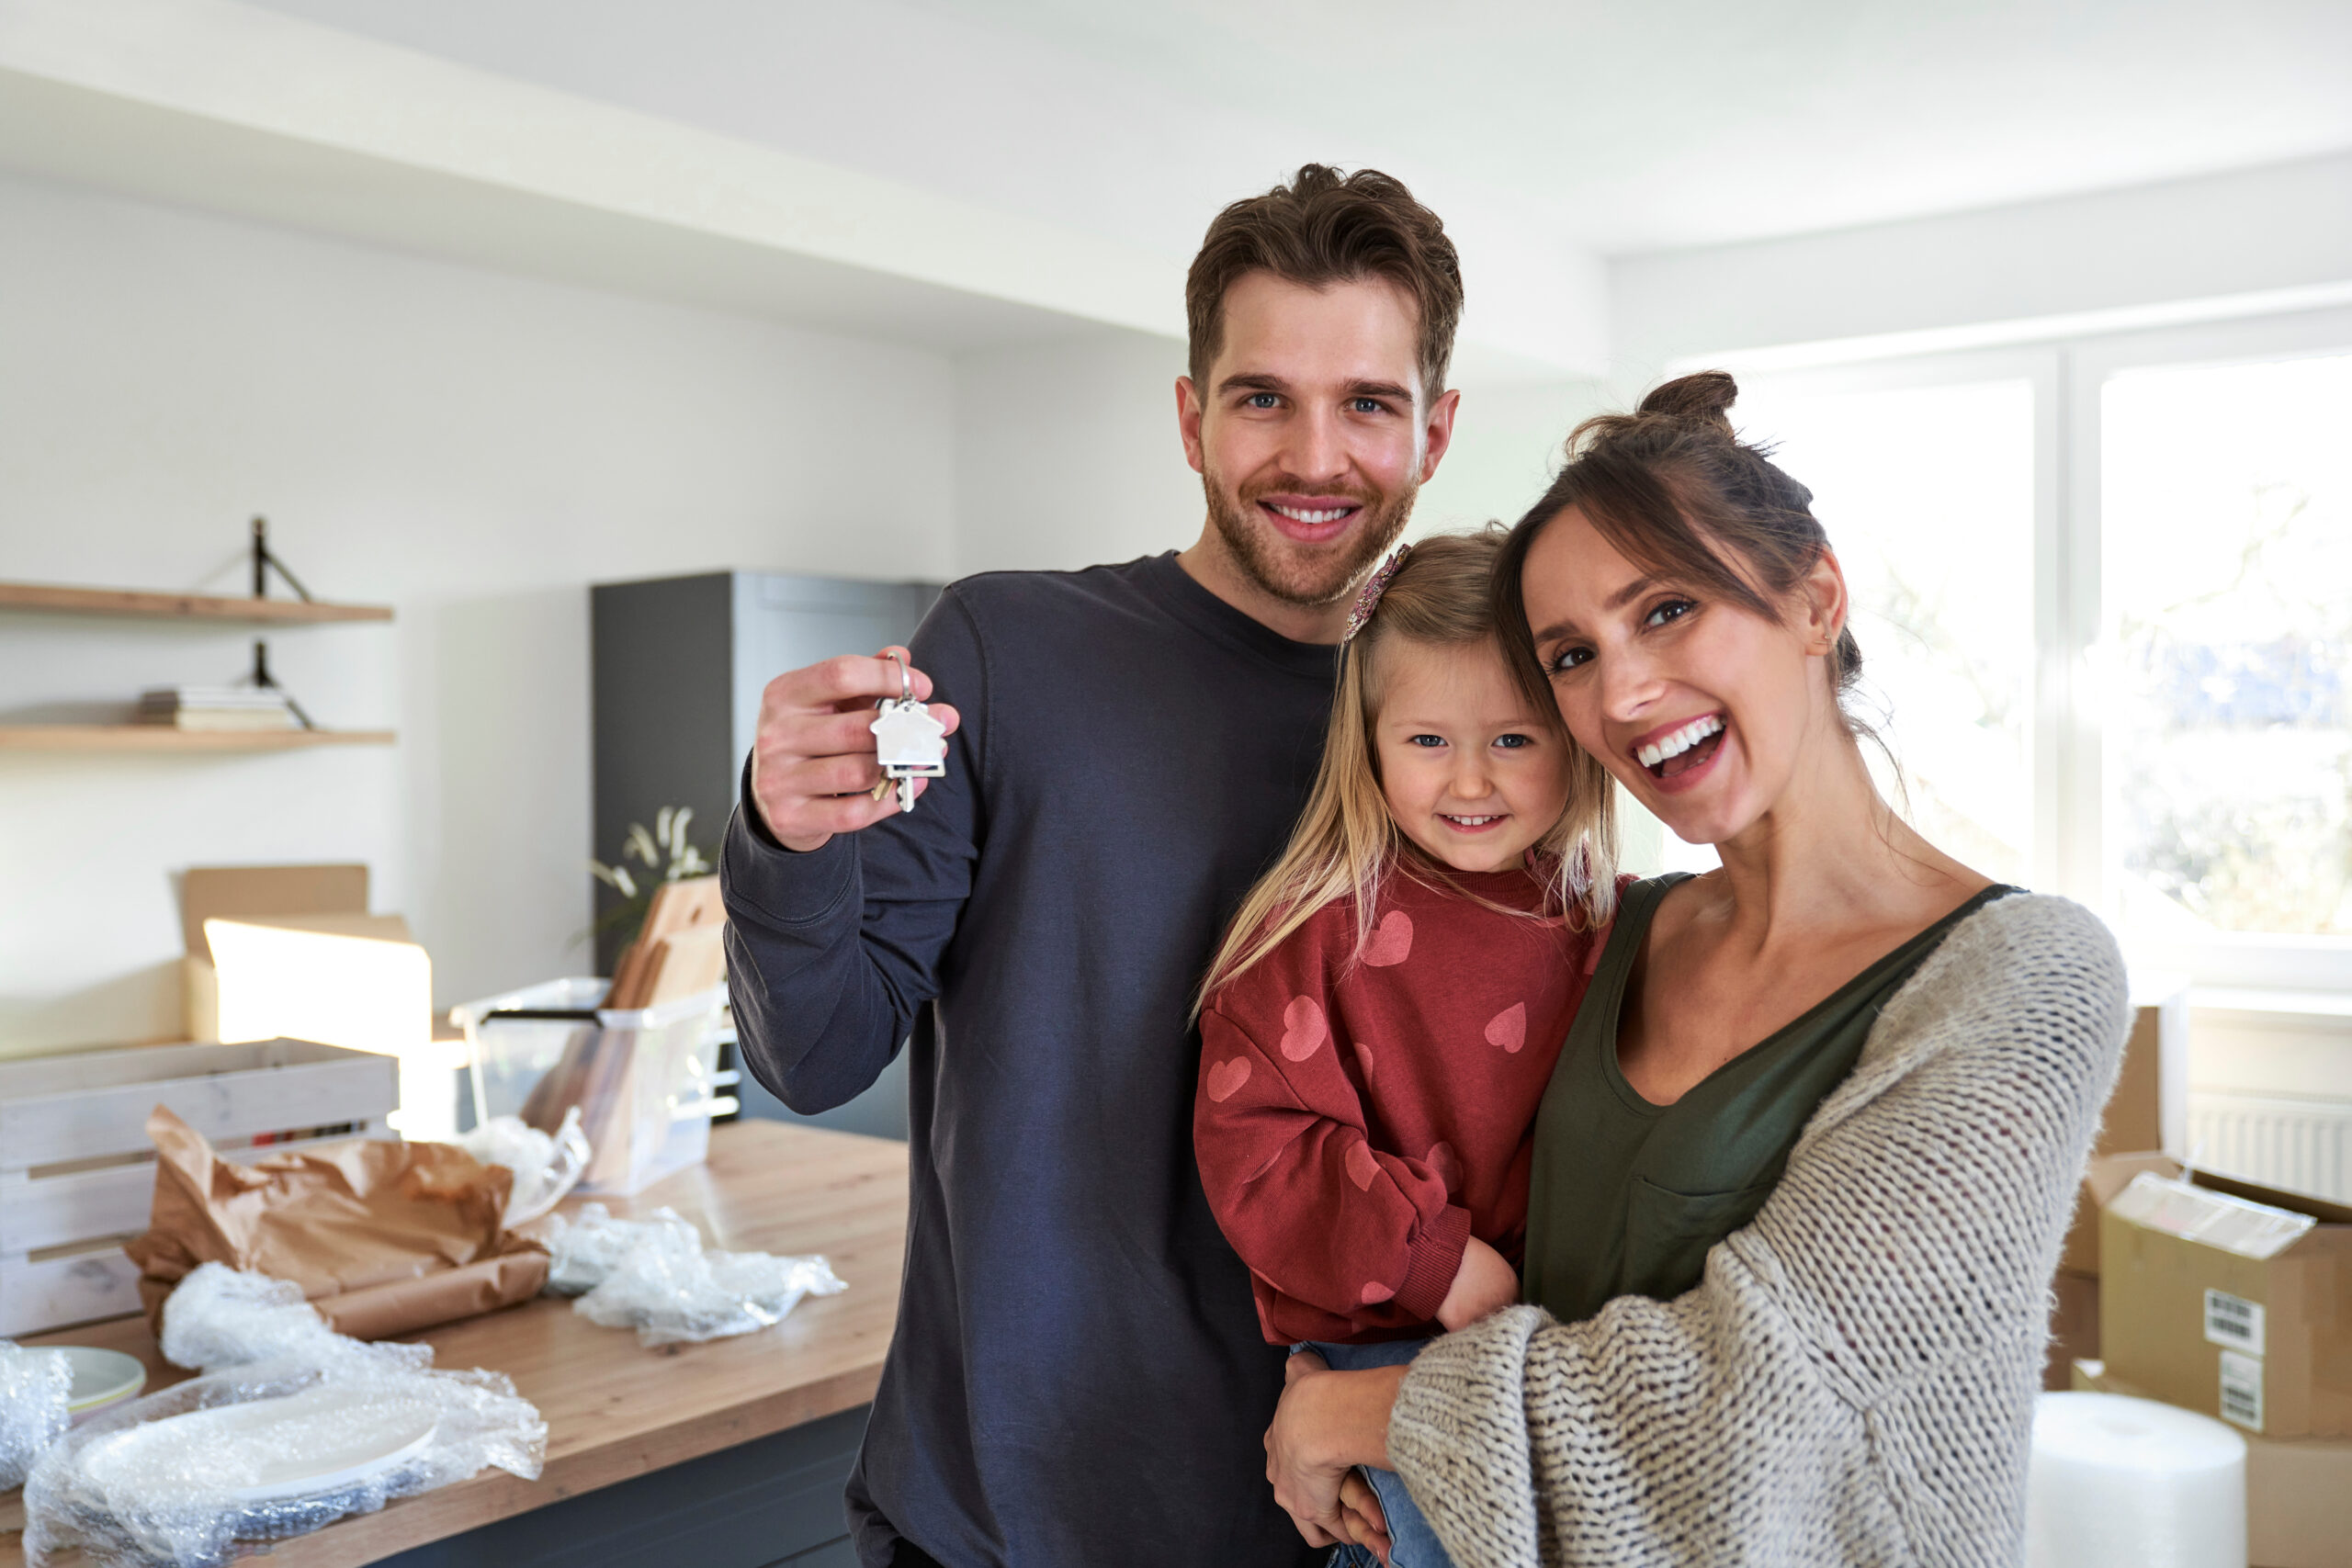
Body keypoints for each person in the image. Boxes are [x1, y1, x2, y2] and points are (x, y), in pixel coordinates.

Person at [719, 164, 1464, 1567]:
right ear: (1192, 417)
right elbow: (813, 1055)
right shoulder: (1002, 654)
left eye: (1367, 402)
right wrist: (786, 830)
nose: (1316, 456)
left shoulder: (1470, 749)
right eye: (1263, 398)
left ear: (1435, 428)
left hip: (1329, 1526)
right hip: (993, 1521)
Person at [1261, 371, 2131, 1567]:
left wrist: (1350, 1408)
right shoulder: (1610, 932)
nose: (1619, 691)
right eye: (1570, 653)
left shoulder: (2023, 978)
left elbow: (1750, 1409)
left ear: (1816, 595)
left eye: (1665, 609)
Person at [1193, 527, 1618, 1568]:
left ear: (1573, 738)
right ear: (1370, 741)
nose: (1469, 781)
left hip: (1557, 1364)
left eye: (1514, 740)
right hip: (1380, 1344)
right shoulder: (1315, 928)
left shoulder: (1616, 925)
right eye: (1428, 741)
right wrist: (1431, 1261)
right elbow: (1255, 1149)